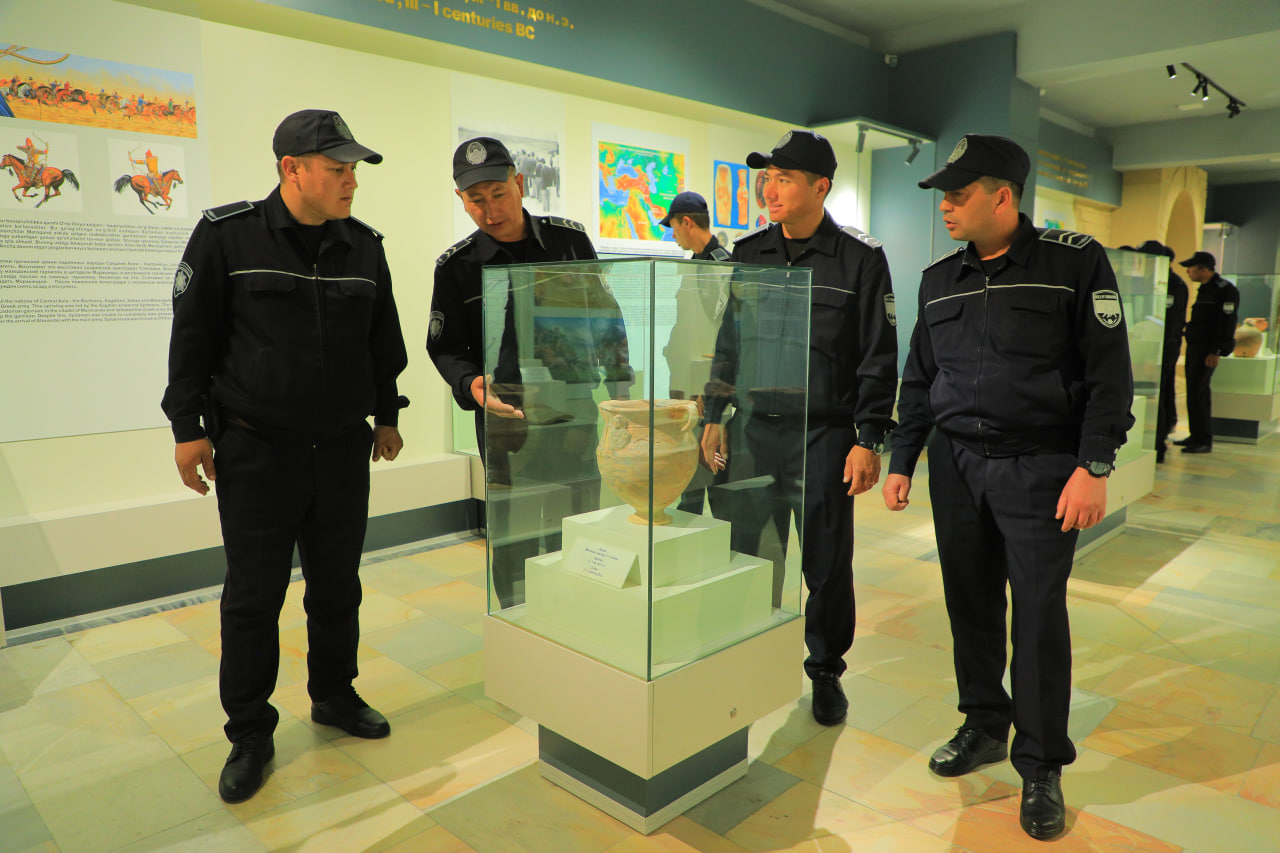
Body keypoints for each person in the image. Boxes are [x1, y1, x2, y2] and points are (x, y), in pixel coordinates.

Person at [882, 134, 1133, 840]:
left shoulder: (1072, 263)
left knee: (1039, 613)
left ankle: (1042, 763)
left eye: (959, 195)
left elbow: (1109, 373)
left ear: (1003, 196)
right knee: (969, 602)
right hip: (956, 465)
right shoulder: (939, 278)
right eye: (943, 196)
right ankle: (985, 723)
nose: (946, 208)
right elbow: (920, 377)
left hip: (1041, 467)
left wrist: (1093, 465)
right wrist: (902, 458)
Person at [161, 109, 409, 804]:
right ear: (291, 169)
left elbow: (382, 340)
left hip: (341, 449)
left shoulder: (364, 247)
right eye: (337, 169)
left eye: (353, 169)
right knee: (253, 597)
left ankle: (334, 693)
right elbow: (191, 338)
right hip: (256, 449)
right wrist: (187, 427)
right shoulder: (227, 236)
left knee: (337, 585)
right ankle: (249, 732)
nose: (350, 181)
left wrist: (387, 414)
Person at [701, 129, 898, 727]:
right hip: (753, 432)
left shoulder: (859, 259)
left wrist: (868, 439)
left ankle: (825, 672)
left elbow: (878, 357)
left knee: (827, 566)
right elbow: (728, 344)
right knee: (746, 553)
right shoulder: (749, 253)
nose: (769, 190)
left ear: (820, 187)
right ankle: (747, 657)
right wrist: (714, 415)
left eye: (783, 179)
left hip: (824, 436)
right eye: (766, 179)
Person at [428, 136, 605, 608]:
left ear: (520, 184)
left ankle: (581, 615)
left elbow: (605, 318)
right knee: (514, 537)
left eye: (498, 194)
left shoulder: (569, 243)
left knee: (578, 526)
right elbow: (446, 348)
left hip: (571, 416)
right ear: (461, 199)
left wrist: (620, 386)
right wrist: (470, 383)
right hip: (506, 423)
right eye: (476, 201)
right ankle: (519, 623)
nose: (491, 212)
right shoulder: (458, 267)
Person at [660, 191, 731, 515]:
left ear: (687, 222)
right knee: (688, 482)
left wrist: (709, 392)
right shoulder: (695, 266)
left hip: (706, 395)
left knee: (714, 484)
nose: (672, 234)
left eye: (673, 226)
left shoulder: (720, 267)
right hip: (687, 390)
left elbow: (722, 340)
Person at [1174, 250, 1238, 454]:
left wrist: (1216, 351)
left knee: (1199, 393)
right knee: (1193, 392)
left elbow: (1227, 323)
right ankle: (1195, 435)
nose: (1188, 271)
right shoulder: (1205, 289)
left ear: (1203, 269)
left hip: (1207, 350)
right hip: (1195, 347)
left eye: (1191, 268)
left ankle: (1203, 440)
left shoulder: (1225, 290)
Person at [1132, 240, 1187, 463]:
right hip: (1153, 344)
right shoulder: (1154, 280)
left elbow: (1170, 323)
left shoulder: (1173, 284)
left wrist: (1154, 353)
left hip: (1162, 347)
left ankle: (1158, 444)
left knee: (1160, 394)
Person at [660, 191, 731, 261]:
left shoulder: (723, 264)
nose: (673, 236)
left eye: (674, 227)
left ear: (687, 223)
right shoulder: (698, 258)